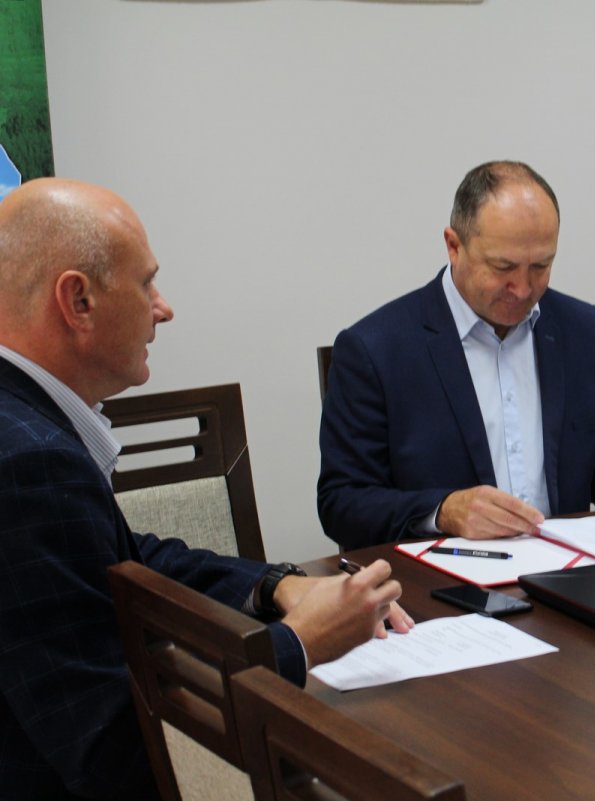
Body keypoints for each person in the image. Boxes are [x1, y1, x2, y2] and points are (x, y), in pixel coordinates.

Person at [0, 177, 415, 801]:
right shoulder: (28, 464)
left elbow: (126, 557)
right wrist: (299, 644)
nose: (163, 308)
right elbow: (112, 746)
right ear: (78, 301)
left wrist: (275, 585)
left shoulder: (24, 426)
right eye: (146, 284)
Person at [318, 161, 595, 549]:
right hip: (442, 577)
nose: (523, 288)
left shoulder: (583, 330)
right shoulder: (375, 350)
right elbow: (341, 503)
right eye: (503, 267)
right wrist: (443, 510)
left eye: (541, 266)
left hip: (569, 572)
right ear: (454, 246)